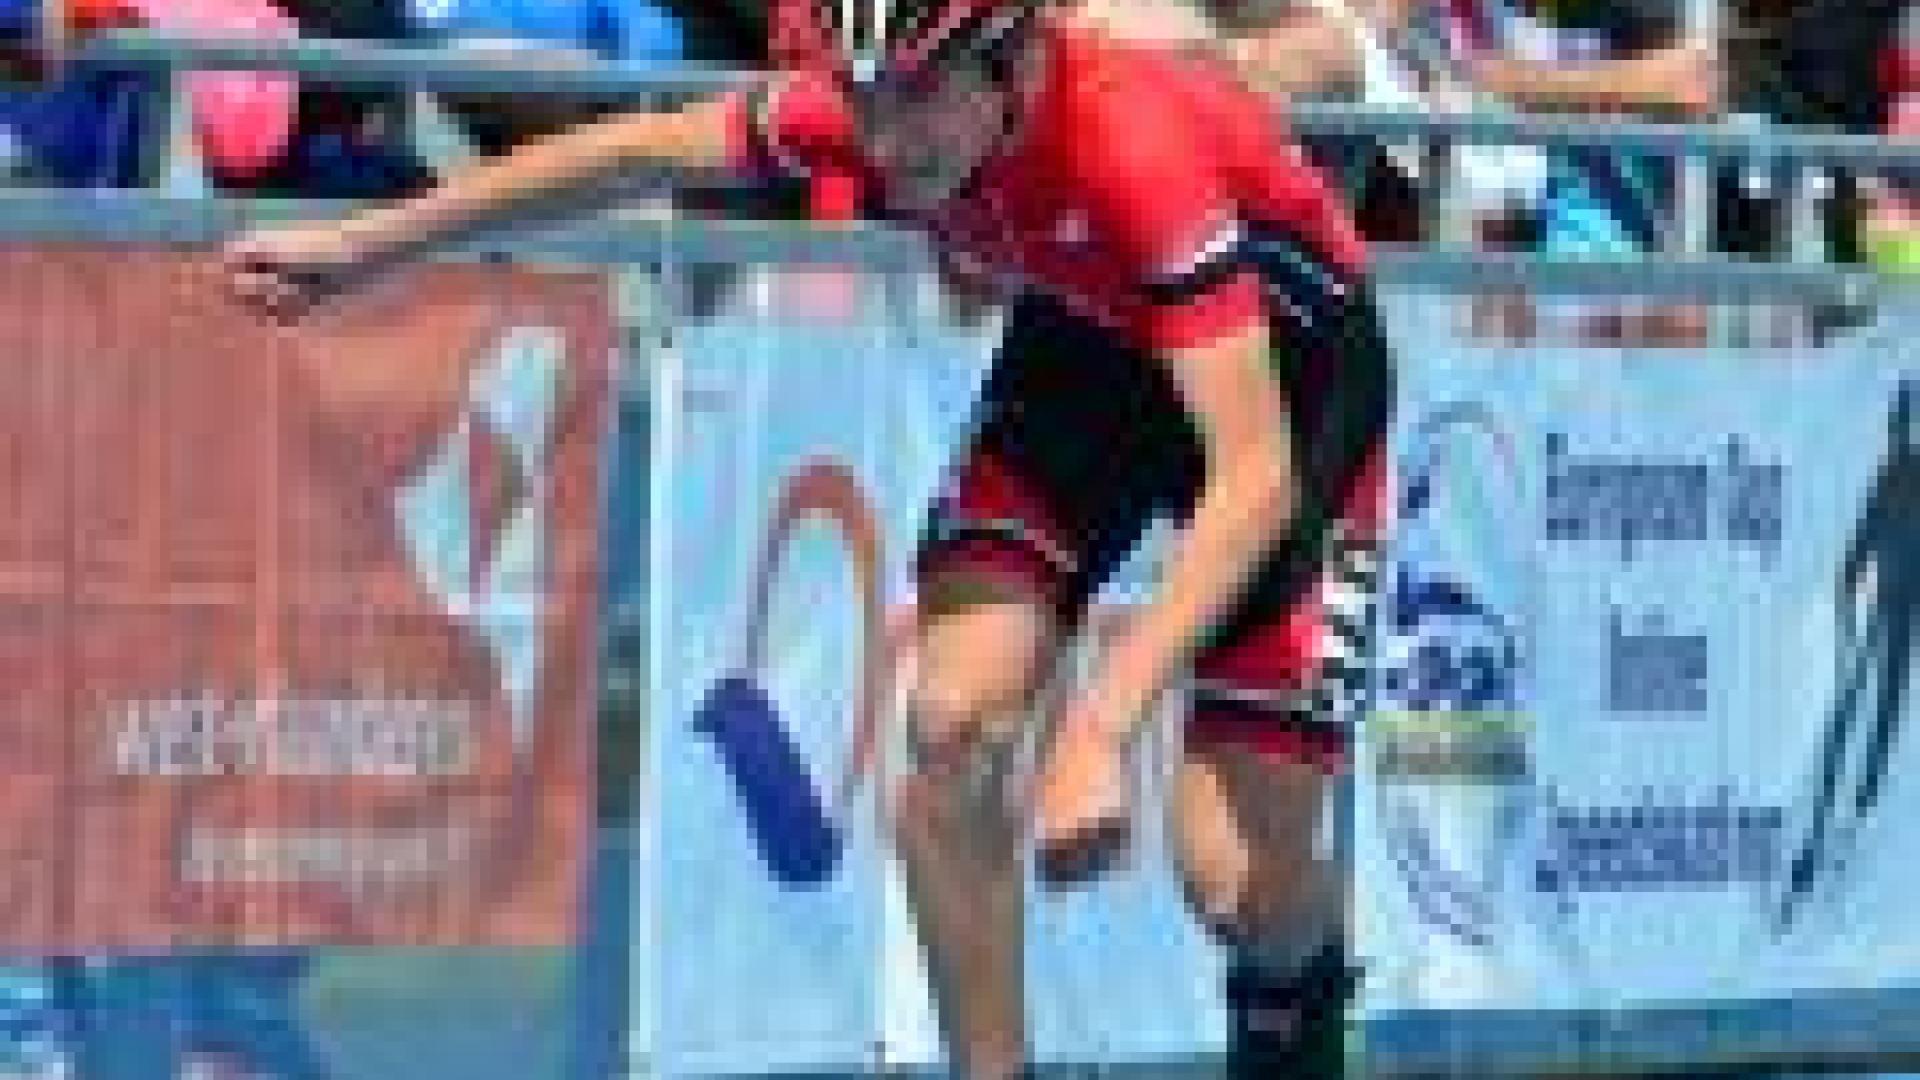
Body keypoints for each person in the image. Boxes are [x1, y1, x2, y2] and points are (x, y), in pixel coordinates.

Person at [224, 2, 1391, 1075]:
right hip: (1090, 350)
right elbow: (628, 155)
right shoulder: (884, 110)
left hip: (1295, 391)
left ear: (1013, 68)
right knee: (950, 725)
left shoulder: (1133, 140)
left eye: (920, 97)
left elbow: (1253, 479)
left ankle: (1303, 1001)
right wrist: (369, 247)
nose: (889, 140)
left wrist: (1099, 726)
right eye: (867, 99)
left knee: (1239, 886)